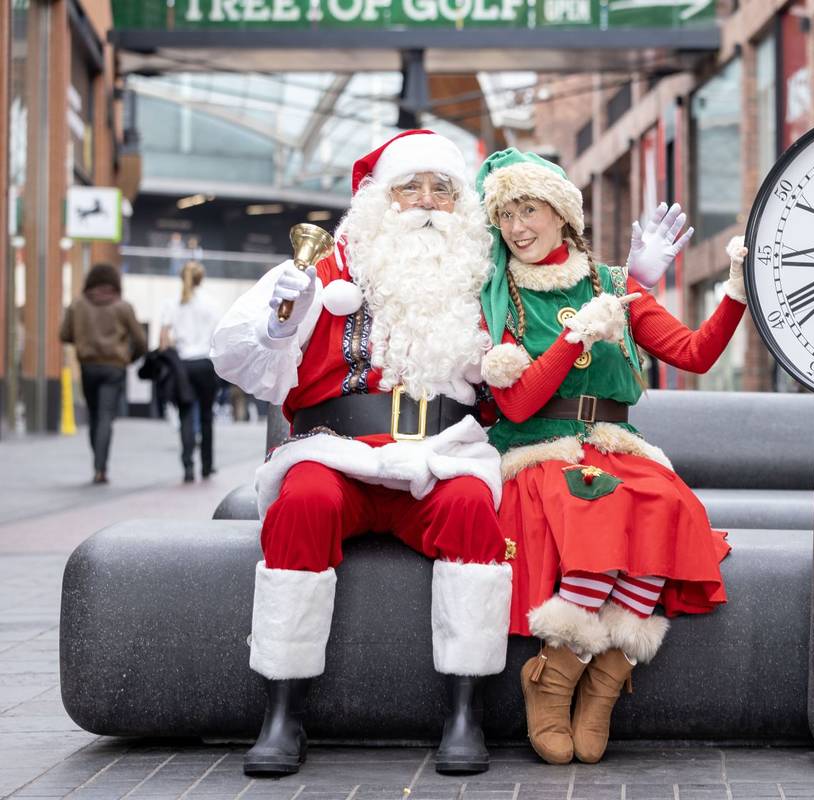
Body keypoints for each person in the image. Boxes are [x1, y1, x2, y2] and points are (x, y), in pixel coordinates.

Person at [210, 130, 513, 778]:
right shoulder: (321, 269)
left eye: (442, 189)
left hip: (443, 457)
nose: (427, 202)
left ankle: (465, 712)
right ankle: (282, 711)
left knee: (472, 513)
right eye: (411, 187)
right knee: (302, 503)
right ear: (380, 200)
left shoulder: (482, 282)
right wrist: (277, 323)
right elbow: (238, 354)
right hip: (335, 450)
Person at [474, 149, 748, 765]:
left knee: (667, 501)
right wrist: (576, 338)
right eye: (507, 215)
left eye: (530, 209)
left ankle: (601, 683)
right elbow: (515, 406)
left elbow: (695, 353)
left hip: (615, 444)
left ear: (562, 215)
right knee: (597, 502)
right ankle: (553, 675)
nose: (518, 227)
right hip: (541, 450)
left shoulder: (613, 285)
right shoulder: (503, 296)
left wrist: (734, 292)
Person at [59, 263, 148, 484]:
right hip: (114, 368)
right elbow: (141, 342)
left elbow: (64, 334)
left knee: (94, 415)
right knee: (106, 417)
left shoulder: (78, 305)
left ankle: (97, 463)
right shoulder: (123, 307)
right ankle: (101, 468)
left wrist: (82, 340)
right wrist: (129, 358)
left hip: (88, 367)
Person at [159, 261, 222, 482]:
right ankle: (207, 465)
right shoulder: (211, 304)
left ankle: (187, 465)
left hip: (182, 366)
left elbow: (164, 340)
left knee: (185, 414)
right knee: (206, 416)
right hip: (205, 364)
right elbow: (218, 337)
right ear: (201, 279)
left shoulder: (172, 304)